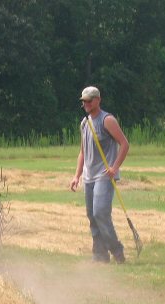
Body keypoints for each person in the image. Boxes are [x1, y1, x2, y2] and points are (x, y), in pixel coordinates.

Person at [69, 86, 130, 264]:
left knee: (101, 213)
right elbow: (82, 151)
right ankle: (100, 255)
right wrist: (76, 175)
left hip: (104, 175)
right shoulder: (84, 123)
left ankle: (117, 251)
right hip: (88, 177)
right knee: (92, 216)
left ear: (98, 100)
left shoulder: (107, 120)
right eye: (84, 101)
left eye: (89, 100)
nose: (86, 104)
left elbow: (124, 144)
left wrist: (115, 167)